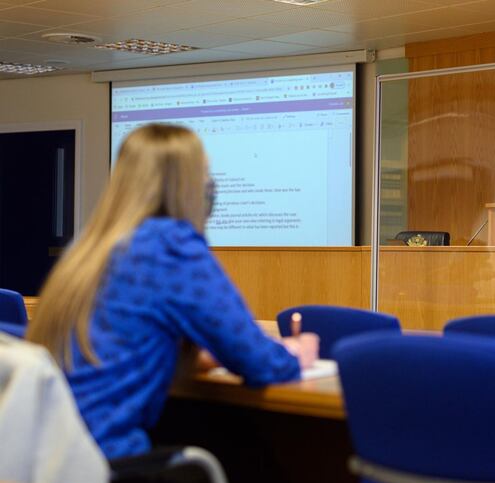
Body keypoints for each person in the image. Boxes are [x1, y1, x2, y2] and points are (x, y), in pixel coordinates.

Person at [27, 124, 319, 461]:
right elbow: (262, 363)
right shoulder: (171, 246)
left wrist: (189, 355)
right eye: (204, 175)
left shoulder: (90, 246)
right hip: (101, 468)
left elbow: (118, 340)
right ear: (187, 186)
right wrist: (296, 351)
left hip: (37, 462)